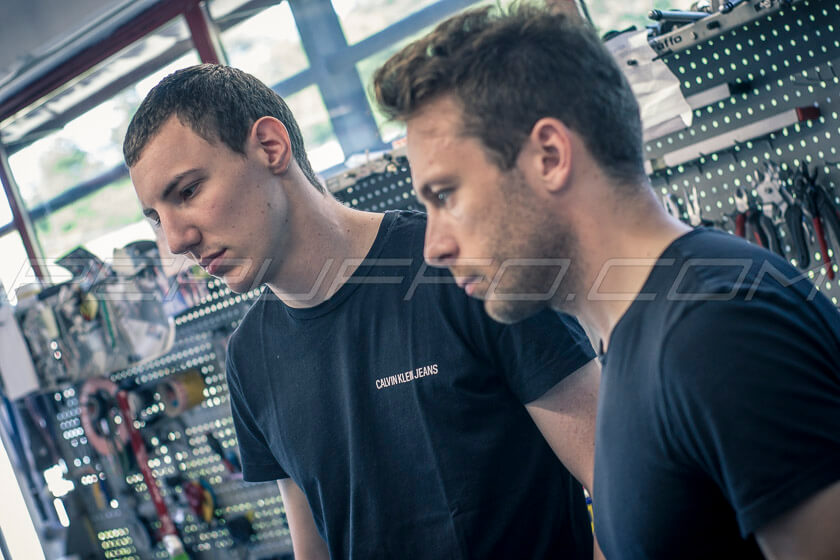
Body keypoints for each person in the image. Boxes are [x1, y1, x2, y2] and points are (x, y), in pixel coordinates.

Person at [372, 4, 840, 559]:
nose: (434, 246)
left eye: (445, 195)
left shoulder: (717, 328)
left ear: (549, 156)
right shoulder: (638, 335)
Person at [122, 64, 602, 559]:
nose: (176, 239)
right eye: (158, 217)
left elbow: (621, 483)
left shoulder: (461, 268)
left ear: (270, 147)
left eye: (188, 192)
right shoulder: (248, 359)